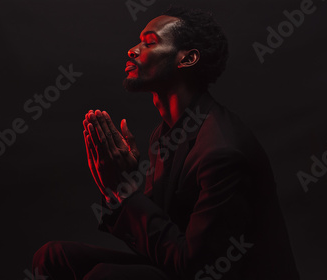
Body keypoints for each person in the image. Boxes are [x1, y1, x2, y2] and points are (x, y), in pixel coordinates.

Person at [33, 6, 300, 280]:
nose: (132, 50)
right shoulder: (167, 134)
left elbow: (195, 267)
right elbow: (161, 240)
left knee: (105, 276)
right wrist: (123, 185)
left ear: (187, 58)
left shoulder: (222, 152)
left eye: (149, 42)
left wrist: (124, 192)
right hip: (184, 265)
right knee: (53, 257)